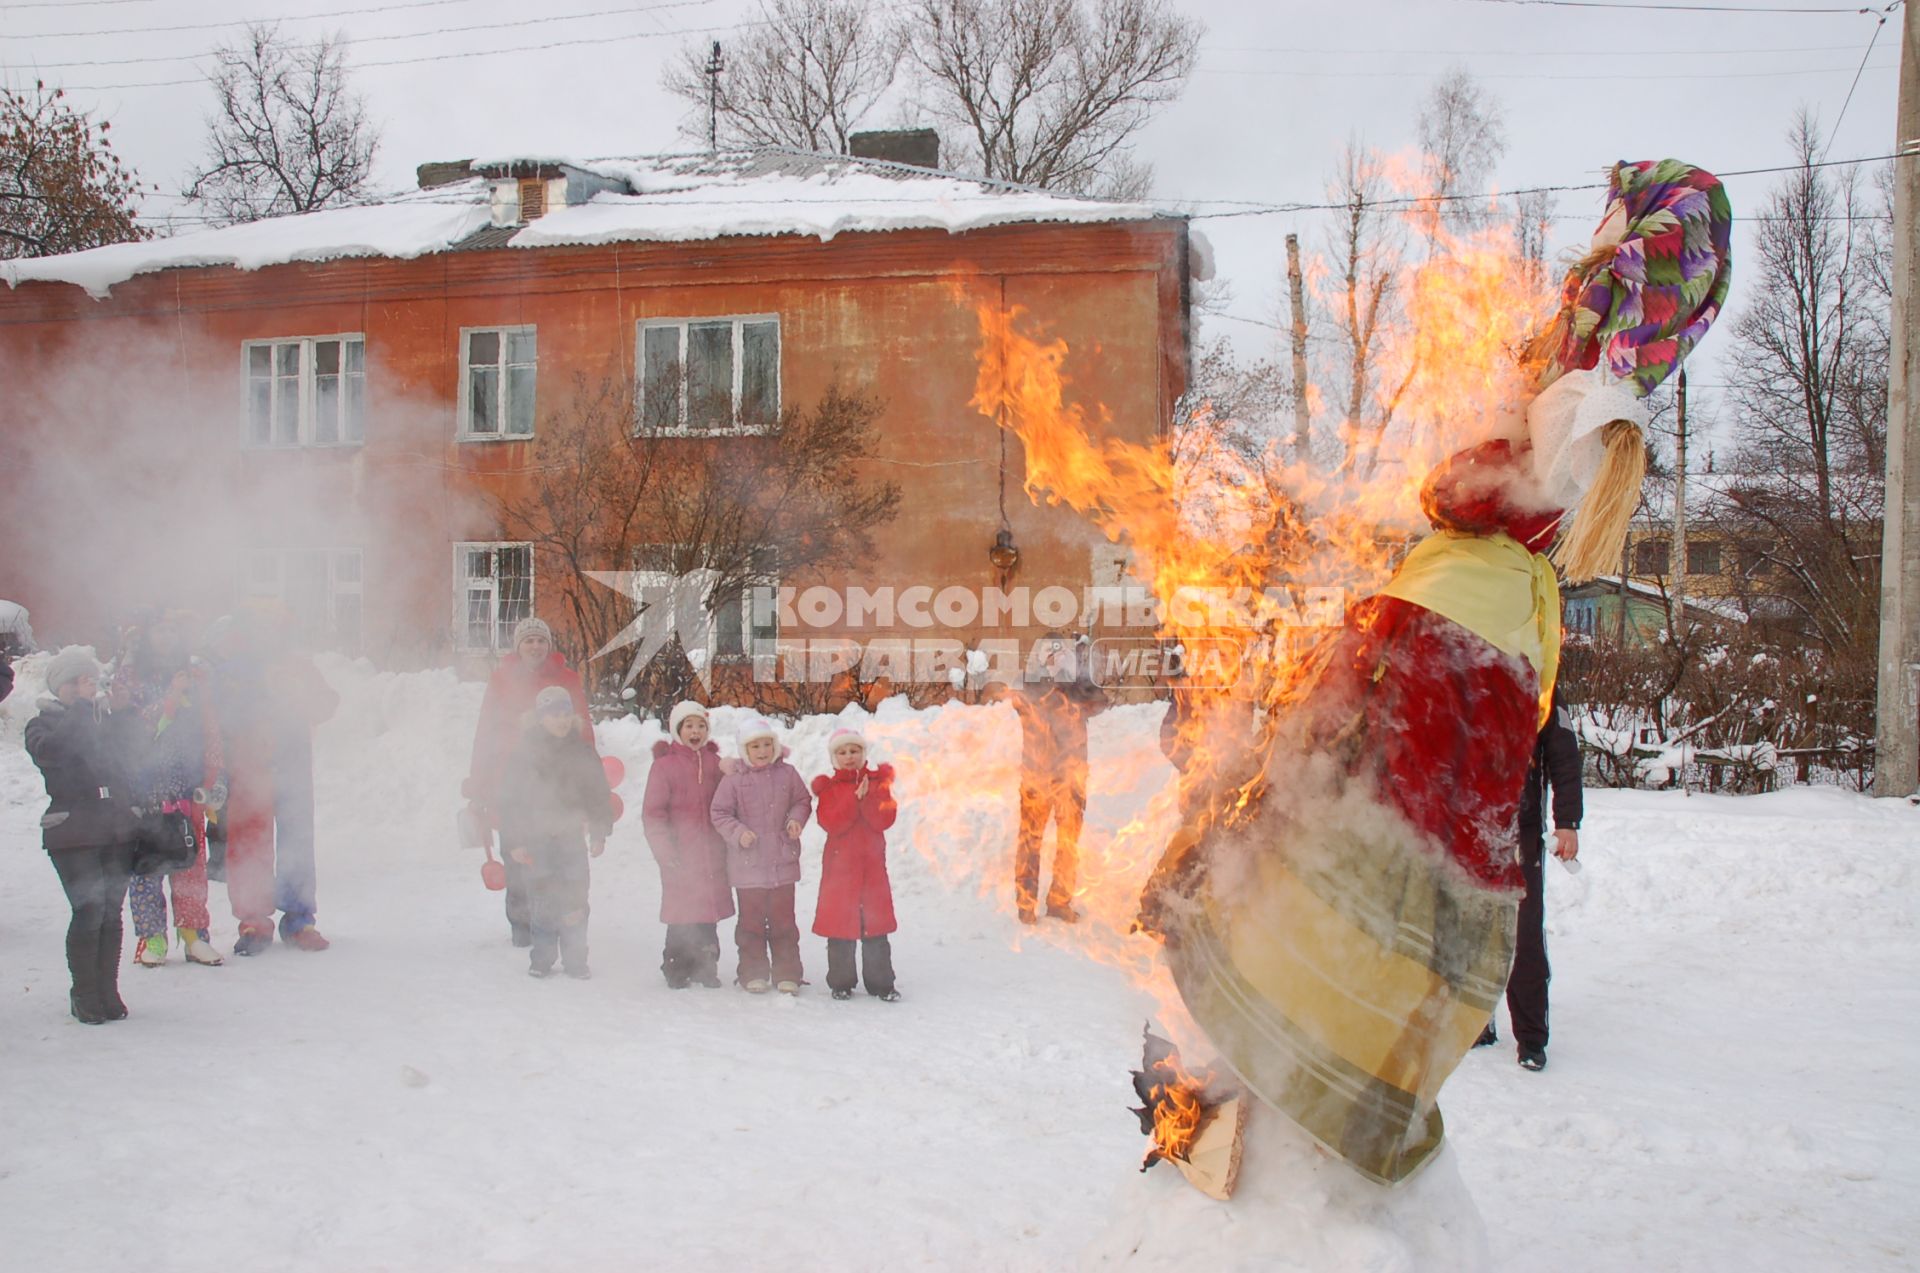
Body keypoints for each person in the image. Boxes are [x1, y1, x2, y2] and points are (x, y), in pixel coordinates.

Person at [25, 647, 144, 1023]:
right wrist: (79, 708)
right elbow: (54, 754)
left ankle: (108, 991)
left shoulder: (101, 718)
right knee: (89, 910)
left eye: (86, 681)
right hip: (71, 831)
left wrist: (124, 712)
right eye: (75, 682)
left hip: (115, 828)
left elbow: (134, 755)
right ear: (59, 686)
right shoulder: (41, 724)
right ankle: (84, 994)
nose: (83, 689)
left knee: (111, 913)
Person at [215, 604, 339, 956]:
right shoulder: (233, 670)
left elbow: (325, 703)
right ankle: (253, 921)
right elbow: (217, 714)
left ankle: (300, 919)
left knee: (296, 841)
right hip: (249, 768)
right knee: (249, 842)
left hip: (293, 766)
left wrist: (304, 696)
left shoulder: (298, 666)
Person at [465, 617, 593, 947]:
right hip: (511, 782)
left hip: (559, 786)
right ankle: (523, 926)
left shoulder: (566, 679)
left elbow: (583, 729)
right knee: (517, 852)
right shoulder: (501, 680)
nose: (535, 646)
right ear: (518, 646)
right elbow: (485, 732)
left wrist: (589, 779)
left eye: (541, 641)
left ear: (548, 646)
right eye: (528, 641)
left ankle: (562, 922)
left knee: (562, 858)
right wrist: (479, 783)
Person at [1477, 690, 1583, 1071]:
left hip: (1521, 827)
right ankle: (1476, 1022)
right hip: (1470, 825)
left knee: (1522, 936)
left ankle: (1531, 1037)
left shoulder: (1542, 678)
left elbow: (1565, 756)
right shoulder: (1471, 663)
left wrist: (1567, 822)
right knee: (1474, 928)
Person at [117, 612, 227, 968]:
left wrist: (213, 779)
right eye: (160, 630)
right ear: (146, 636)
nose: (167, 637)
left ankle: (194, 934)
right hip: (146, 786)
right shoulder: (131, 676)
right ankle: (153, 937)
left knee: (190, 863)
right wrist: (169, 699)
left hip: (187, 784)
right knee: (147, 867)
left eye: (172, 631)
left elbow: (210, 728)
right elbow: (130, 730)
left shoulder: (195, 677)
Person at [497, 685, 611, 979]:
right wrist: (514, 841)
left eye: (565, 713)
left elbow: (598, 794)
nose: (561, 720)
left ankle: (575, 959)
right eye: (553, 714)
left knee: (574, 896)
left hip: (571, 837)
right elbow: (510, 801)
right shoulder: (525, 754)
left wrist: (599, 832)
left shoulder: (582, 751)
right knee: (543, 898)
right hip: (536, 839)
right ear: (540, 718)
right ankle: (542, 957)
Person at [1002, 632, 1107, 924]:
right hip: (1037, 777)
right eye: (1048, 652)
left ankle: (1060, 901)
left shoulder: (1077, 687)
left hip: (1071, 777)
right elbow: (1024, 702)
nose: (1053, 658)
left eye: (1059, 653)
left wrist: (1079, 668)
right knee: (1030, 842)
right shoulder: (1029, 683)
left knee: (1068, 841)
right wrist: (1055, 680)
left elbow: (1100, 702)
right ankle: (1026, 904)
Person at [709, 716, 811, 995]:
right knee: (751, 924)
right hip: (747, 866)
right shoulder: (733, 781)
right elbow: (719, 813)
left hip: (782, 863)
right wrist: (738, 832)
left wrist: (795, 820)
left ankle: (787, 973)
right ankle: (752, 972)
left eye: (767, 744)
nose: (763, 751)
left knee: (784, 923)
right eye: (756, 746)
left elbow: (802, 800)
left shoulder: (788, 774)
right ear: (745, 751)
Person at [640, 700, 734, 989]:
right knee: (682, 912)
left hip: (712, 853)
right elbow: (653, 814)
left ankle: (706, 965)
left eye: (701, 725)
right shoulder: (664, 767)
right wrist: (665, 852)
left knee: (707, 911)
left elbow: (731, 800)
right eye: (689, 726)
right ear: (678, 730)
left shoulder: (715, 764)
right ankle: (677, 965)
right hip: (679, 853)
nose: (696, 731)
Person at [811, 726, 900, 1002]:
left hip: (872, 871)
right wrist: (853, 799)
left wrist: (868, 797)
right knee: (840, 929)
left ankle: (881, 983)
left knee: (875, 929)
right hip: (840, 873)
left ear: (864, 754)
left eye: (854, 751)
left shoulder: (878, 784)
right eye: (843, 752)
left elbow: (884, 820)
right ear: (834, 757)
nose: (849, 756)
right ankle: (841, 982)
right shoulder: (829, 788)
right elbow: (831, 823)